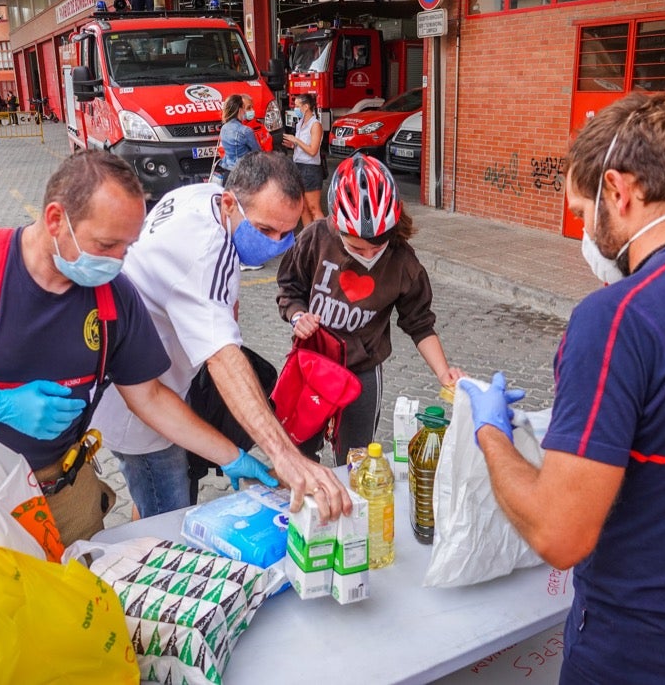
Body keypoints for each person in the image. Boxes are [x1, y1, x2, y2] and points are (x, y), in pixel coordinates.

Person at [461, 93, 665, 684]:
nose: (585, 234)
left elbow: (559, 534)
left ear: (619, 191)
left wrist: (491, 432)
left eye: (582, 213)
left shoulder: (618, 318)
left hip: (636, 650)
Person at [0, 151, 277, 545]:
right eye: (106, 246)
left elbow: (148, 397)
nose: (117, 261)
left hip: (65, 492)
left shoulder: (115, 296)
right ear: (56, 218)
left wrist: (232, 455)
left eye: (128, 246)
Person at [92, 151, 352, 520]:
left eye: (286, 232)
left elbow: (222, 313)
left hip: (155, 381)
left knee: (149, 499)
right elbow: (223, 358)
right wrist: (286, 456)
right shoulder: (202, 252)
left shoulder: (201, 197)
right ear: (231, 202)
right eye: (265, 230)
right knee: (168, 514)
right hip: (142, 409)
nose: (277, 242)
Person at [277, 153, 466, 465]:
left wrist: (443, 372)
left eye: (376, 247)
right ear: (336, 225)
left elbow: (419, 323)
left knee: (356, 457)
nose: (366, 254)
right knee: (296, 451)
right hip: (312, 363)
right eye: (355, 247)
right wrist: (298, 316)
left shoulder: (403, 264)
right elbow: (290, 287)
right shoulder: (315, 238)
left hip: (362, 370)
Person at [282, 93, 325, 227]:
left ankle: (323, 239)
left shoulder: (315, 125)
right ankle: (309, 240)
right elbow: (302, 146)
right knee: (303, 209)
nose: (295, 108)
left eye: (297, 106)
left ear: (306, 107)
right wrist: (293, 145)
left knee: (314, 208)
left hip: (310, 169)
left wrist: (296, 140)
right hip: (298, 166)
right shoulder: (300, 123)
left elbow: (313, 150)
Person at [214, 93, 260, 186]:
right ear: (240, 110)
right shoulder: (245, 131)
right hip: (243, 175)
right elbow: (257, 152)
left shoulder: (224, 128)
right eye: (245, 108)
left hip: (227, 174)